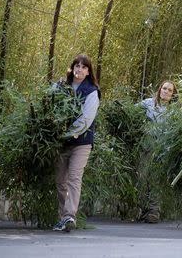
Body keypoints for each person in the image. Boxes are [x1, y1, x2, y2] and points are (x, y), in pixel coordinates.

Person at [52, 54, 100, 232]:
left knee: (74, 177)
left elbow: (87, 118)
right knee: (60, 180)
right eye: (77, 66)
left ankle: (69, 216)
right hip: (61, 143)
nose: (79, 69)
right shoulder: (61, 86)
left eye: (84, 67)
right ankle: (63, 217)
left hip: (82, 142)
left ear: (88, 72)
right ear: (72, 68)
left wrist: (68, 133)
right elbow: (50, 107)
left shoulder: (92, 91)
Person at [139, 80, 177, 223]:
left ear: (173, 95)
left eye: (169, 90)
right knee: (143, 177)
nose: (166, 92)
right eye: (164, 88)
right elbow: (133, 113)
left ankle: (154, 211)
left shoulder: (175, 111)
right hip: (146, 147)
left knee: (155, 179)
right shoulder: (148, 103)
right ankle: (142, 209)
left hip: (162, 149)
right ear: (159, 89)